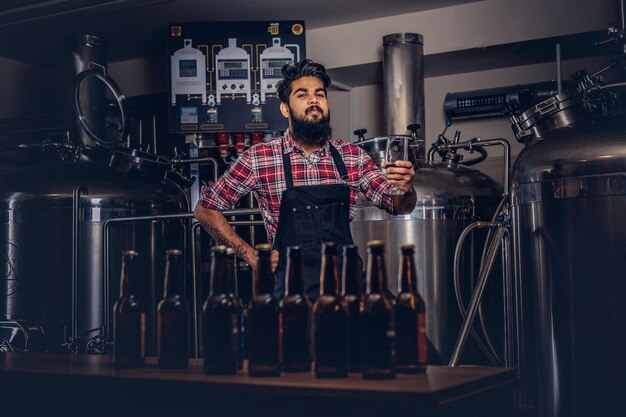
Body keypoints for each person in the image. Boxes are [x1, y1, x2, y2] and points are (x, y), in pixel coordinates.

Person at [194, 59, 416, 300]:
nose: (314, 100)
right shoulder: (259, 158)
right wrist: (250, 255)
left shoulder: (352, 156)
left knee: (404, 329)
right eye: (302, 95)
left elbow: (398, 206)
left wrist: (407, 190)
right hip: (292, 292)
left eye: (320, 94)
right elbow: (205, 210)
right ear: (285, 109)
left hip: (347, 287)